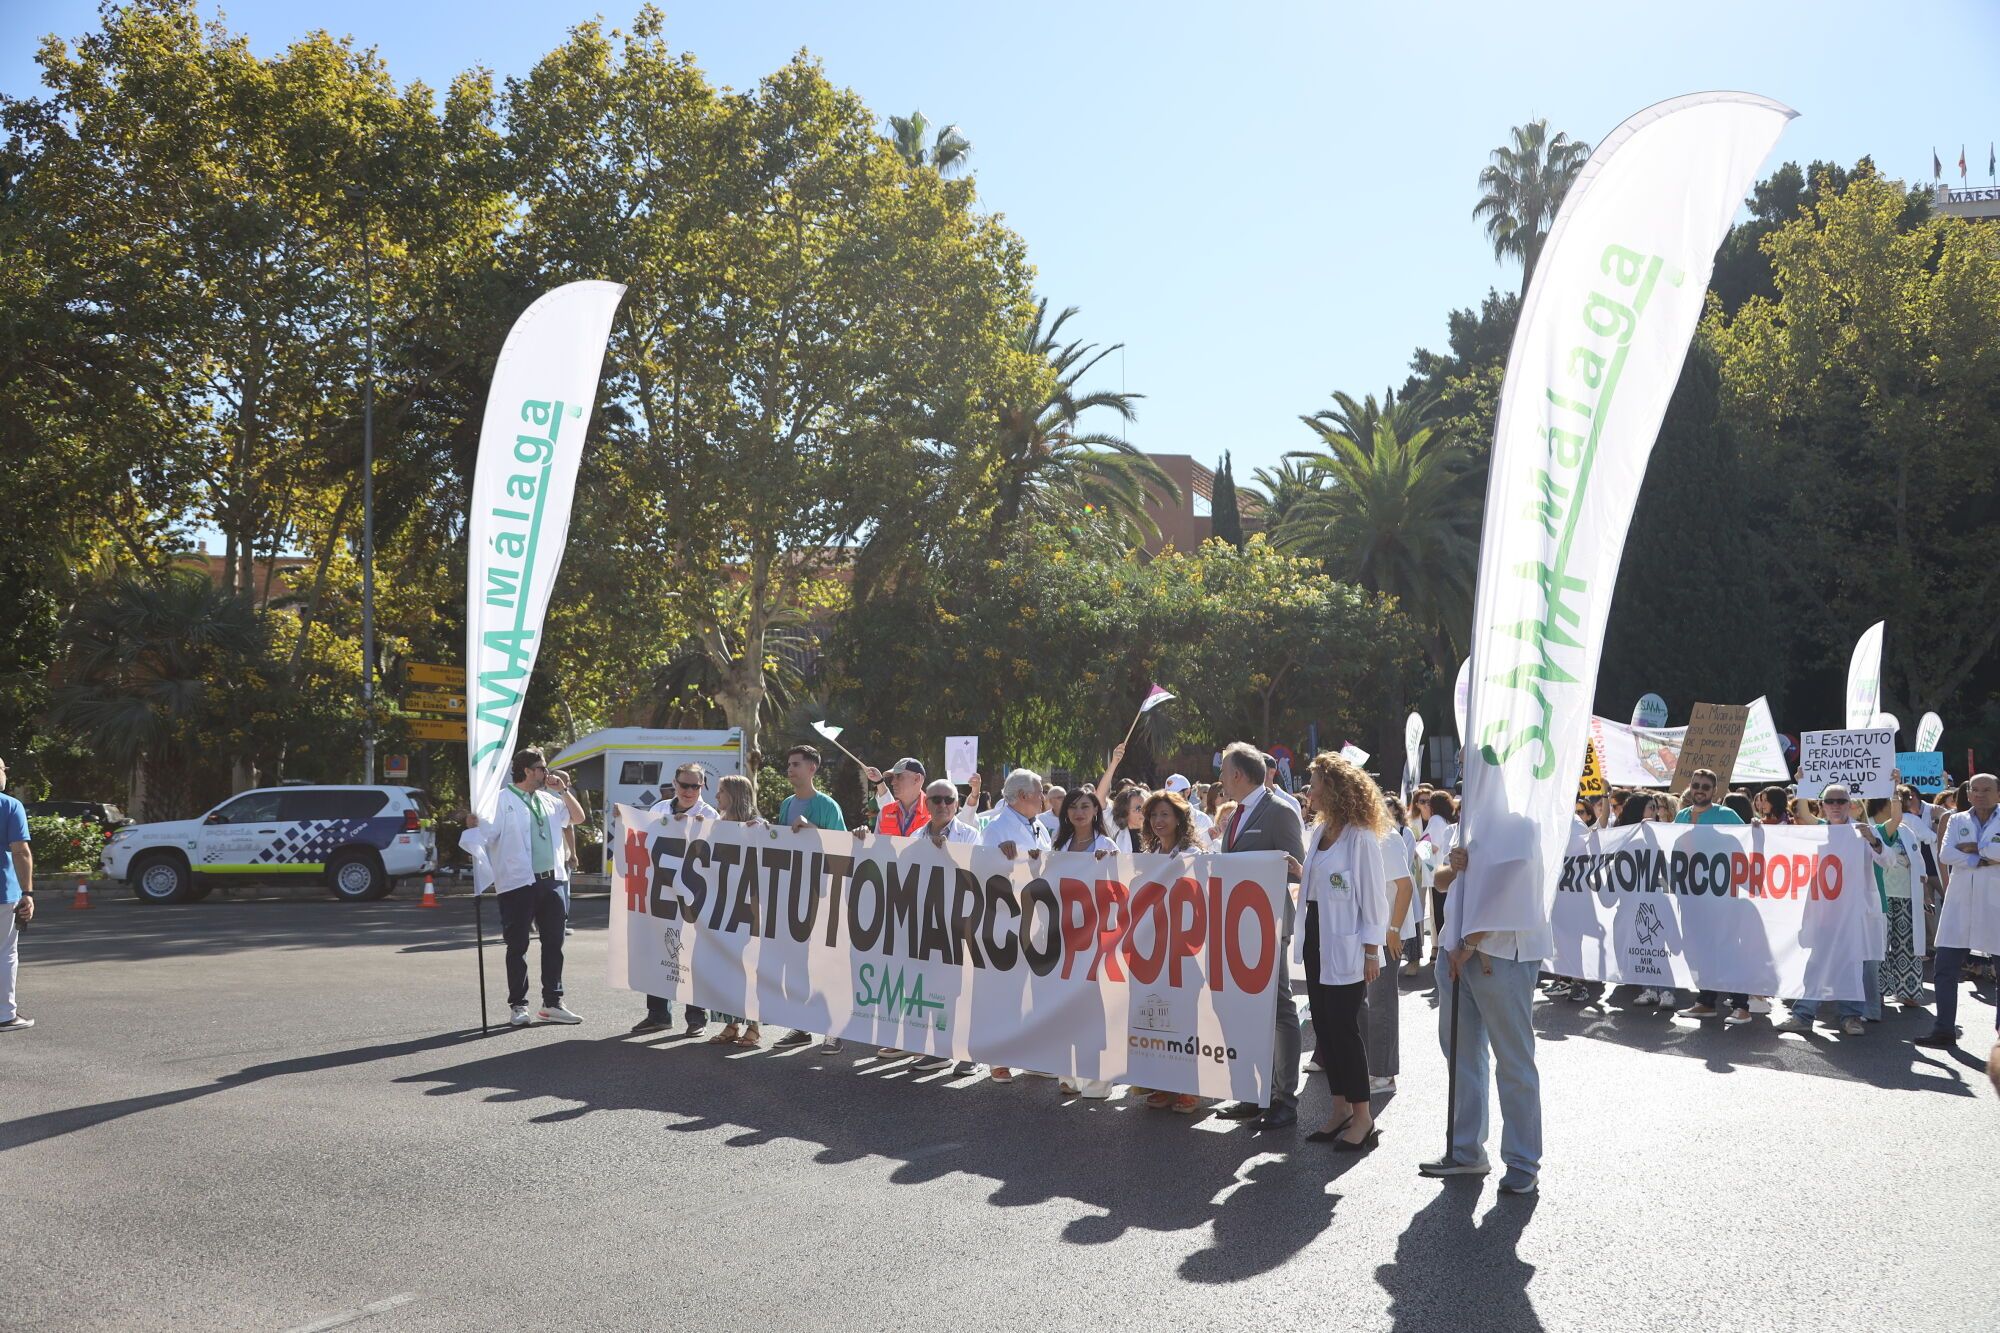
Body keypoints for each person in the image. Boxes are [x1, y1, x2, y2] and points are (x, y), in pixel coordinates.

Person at [1421, 835, 1545, 1195]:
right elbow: (1443, 881)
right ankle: (1465, 1151)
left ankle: (1523, 1161)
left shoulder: (1521, 824)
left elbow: (1511, 889)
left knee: (1513, 1061)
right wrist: (1453, 866)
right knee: (1461, 1055)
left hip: (1500, 955)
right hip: (1457, 951)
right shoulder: (1471, 818)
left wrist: (1471, 942)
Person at [1283, 752, 1389, 1149]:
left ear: (1333, 788)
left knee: (1344, 1029)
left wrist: (1371, 950)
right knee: (1325, 1026)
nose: (1308, 791)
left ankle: (1364, 1118)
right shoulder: (1322, 831)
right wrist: (1299, 871)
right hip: (1316, 933)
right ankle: (1340, 1107)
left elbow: (1373, 897)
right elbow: (1320, 885)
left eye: (1313, 784)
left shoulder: (1360, 836)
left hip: (1346, 940)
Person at [1213, 743, 1306, 1130]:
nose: (1219, 780)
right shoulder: (1235, 814)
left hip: (1268, 922)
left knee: (1279, 1006)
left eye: (1223, 772)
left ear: (1238, 775)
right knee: (1246, 1008)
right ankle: (1254, 1093)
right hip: (1236, 923)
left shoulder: (1279, 811)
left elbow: (1294, 867)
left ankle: (1284, 1097)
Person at [462, 748, 584, 1027]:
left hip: (552, 880)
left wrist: (564, 790)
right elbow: (484, 834)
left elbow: (577, 819)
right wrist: (472, 825)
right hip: (518, 883)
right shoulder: (500, 801)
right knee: (518, 945)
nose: (546, 773)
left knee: (554, 943)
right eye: (542, 768)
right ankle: (519, 1005)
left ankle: (553, 1002)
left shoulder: (549, 799)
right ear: (527, 771)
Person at [1775, 784, 1877, 1037]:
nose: (1835, 805)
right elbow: (1782, 849)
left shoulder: (1862, 832)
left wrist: (1874, 841)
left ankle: (1851, 1016)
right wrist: (1758, 830)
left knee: (1851, 963)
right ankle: (1802, 1016)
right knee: (1816, 965)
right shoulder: (1814, 833)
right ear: (1821, 805)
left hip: (1852, 912)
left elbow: (1888, 860)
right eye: (1829, 801)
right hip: (1822, 912)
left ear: (1850, 804)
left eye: (1840, 801)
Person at [629, 763, 720, 1037]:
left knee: (693, 956)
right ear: (674, 783)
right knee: (658, 952)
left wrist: (693, 830)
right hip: (661, 892)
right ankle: (658, 1014)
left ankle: (696, 1017)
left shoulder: (709, 813)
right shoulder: (658, 809)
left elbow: (715, 856)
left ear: (702, 786)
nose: (690, 791)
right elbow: (644, 844)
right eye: (684, 785)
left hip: (694, 895)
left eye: (695, 786)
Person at [1915, 772, 2000, 1049]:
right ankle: (1943, 1030)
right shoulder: (1956, 819)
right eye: (1975, 789)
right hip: (1960, 902)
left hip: (1994, 902)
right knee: (1945, 968)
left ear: (1998, 793)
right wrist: (1984, 855)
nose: (1980, 794)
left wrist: (1971, 851)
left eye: (1987, 789)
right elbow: (1945, 855)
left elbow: (1961, 853)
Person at [982, 767, 1051, 1083]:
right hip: (1008, 918)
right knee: (1008, 991)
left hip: (1038, 917)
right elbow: (986, 871)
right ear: (1024, 796)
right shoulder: (997, 829)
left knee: (1036, 990)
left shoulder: (1038, 826)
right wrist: (1005, 859)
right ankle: (1000, 1059)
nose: (1043, 797)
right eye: (1039, 791)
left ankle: (1035, 1054)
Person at [1668, 769, 1741, 1020]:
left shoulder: (1727, 815)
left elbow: (1746, 845)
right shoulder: (1681, 816)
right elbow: (1673, 848)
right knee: (1699, 949)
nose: (1700, 789)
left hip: (1720, 896)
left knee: (1726, 949)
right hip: (1690, 896)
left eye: (1706, 786)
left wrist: (1755, 828)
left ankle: (1742, 1005)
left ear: (1715, 791)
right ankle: (1706, 1000)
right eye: (1696, 785)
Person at [707, 774, 768, 1049]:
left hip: (750, 906)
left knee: (750, 967)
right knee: (724, 965)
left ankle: (754, 1026)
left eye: (721, 791)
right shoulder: (716, 825)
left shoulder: (759, 826)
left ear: (734, 794)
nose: (717, 796)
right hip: (722, 905)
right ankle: (731, 1023)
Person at [1368, 783, 1415, 1095]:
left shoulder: (1388, 837)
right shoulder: (1368, 835)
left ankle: (1384, 1075)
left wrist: (1394, 930)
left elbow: (1405, 885)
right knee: (1372, 1004)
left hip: (1388, 934)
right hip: (1374, 932)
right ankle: (1376, 1068)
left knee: (1382, 1004)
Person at [1860, 789, 1924, 1010]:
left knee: (1906, 944)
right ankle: (1877, 991)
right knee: (1878, 946)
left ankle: (1908, 990)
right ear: (1881, 804)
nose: (1901, 804)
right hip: (1879, 896)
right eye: (1894, 800)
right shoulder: (1865, 828)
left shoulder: (1905, 831)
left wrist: (1924, 895)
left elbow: (1918, 863)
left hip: (1906, 895)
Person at [0, 756, 34, 1032]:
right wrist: (28, 892)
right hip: (3, 894)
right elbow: (20, 851)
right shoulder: (9, 806)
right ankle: (5, 1014)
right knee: (5, 953)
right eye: (2, 770)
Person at [1418, 792, 1457, 964]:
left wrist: (1417, 849)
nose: (1425, 806)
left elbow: (1431, 846)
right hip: (1445, 872)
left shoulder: (1435, 821)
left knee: (1438, 917)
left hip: (1436, 875)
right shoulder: (1446, 821)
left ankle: (1440, 954)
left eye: (1427, 803)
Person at [780, 744, 845, 833]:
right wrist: (764, 829)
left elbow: (841, 844)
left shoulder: (829, 807)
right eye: (789, 764)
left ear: (812, 768)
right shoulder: (786, 804)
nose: (789, 769)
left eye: (795, 764)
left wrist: (813, 830)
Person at [862, 757, 930, 838]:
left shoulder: (935, 811)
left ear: (916, 779)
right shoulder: (885, 811)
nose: (892, 782)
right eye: (892, 777)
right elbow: (877, 848)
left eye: (899, 776)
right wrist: (863, 837)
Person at [1162, 774, 1215, 842]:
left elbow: (1207, 849)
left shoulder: (1202, 819)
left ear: (1187, 792)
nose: (1170, 798)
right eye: (1168, 795)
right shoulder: (1162, 819)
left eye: (1175, 794)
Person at [1109, 786, 1147, 852]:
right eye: (1139, 809)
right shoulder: (1115, 838)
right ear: (1125, 812)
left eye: (1146, 807)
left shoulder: (1157, 835)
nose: (1144, 812)